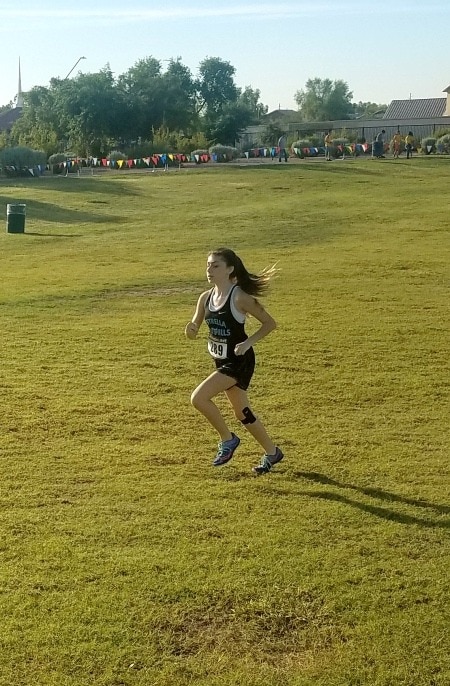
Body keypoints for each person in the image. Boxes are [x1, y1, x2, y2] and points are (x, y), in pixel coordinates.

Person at [185, 248, 284, 475]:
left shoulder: (239, 297)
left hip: (239, 361)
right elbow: (193, 330)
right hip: (221, 361)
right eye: (208, 265)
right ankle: (272, 452)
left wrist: (249, 342)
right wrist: (190, 330)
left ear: (230, 269)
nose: (209, 270)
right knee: (242, 413)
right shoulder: (205, 298)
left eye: (215, 265)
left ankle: (228, 440)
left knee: (198, 398)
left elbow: (270, 323)